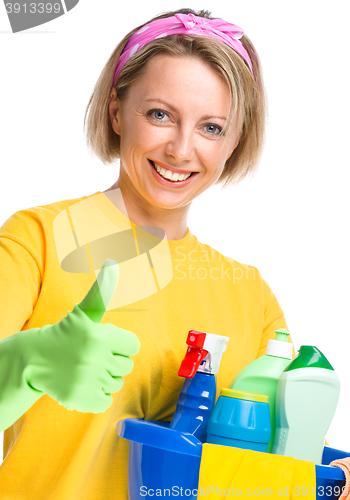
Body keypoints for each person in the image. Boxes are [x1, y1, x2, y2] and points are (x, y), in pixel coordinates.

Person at [0, 8, 293, 499]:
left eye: (212, 128)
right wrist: (25, 367)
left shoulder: (250, 295)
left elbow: (290, 456)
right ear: (117, 111)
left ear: (234, 141)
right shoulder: (38, 241)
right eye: (160, 115)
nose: (181, 149)